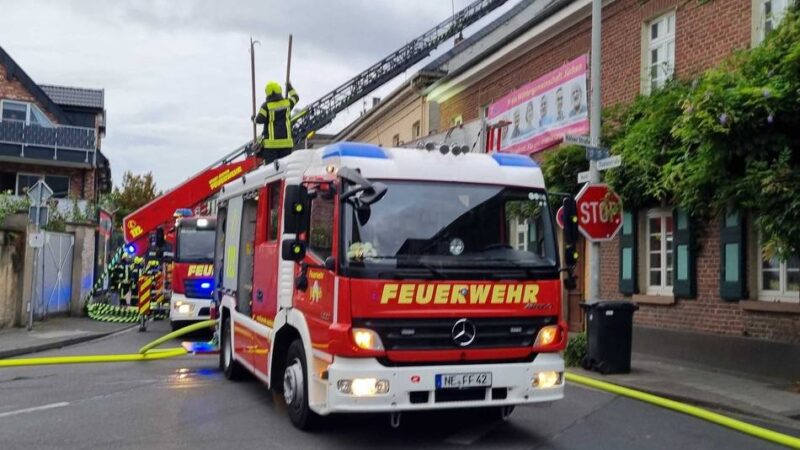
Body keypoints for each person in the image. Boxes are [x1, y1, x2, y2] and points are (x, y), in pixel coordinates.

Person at [253, 81, 300, 165]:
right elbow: (295, 97)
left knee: (271, 172)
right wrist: (289, 87)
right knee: (285, 169)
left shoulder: (266, 106)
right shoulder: (287, 103)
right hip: (286, 144)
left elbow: (259, 120)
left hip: (271, 146)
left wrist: (254, 119)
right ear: (279, 90)